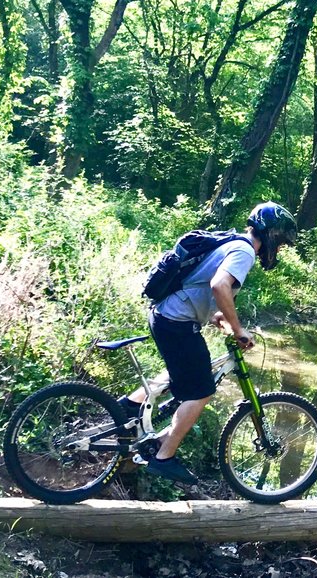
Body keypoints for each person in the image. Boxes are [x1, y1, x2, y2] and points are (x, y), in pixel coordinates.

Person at [119, 201, 298, 484]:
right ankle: (164, 457)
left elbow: (213, 302)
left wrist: (226, 323)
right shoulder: (244, 252)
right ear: (271, 234)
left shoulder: (233, 243)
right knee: (201, 390)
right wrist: (239, 329)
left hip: (166, 315)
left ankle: (128, 406)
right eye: (282, 242)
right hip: (176, 320)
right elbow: (218, 285)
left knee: (184, 371)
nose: (281, 248)